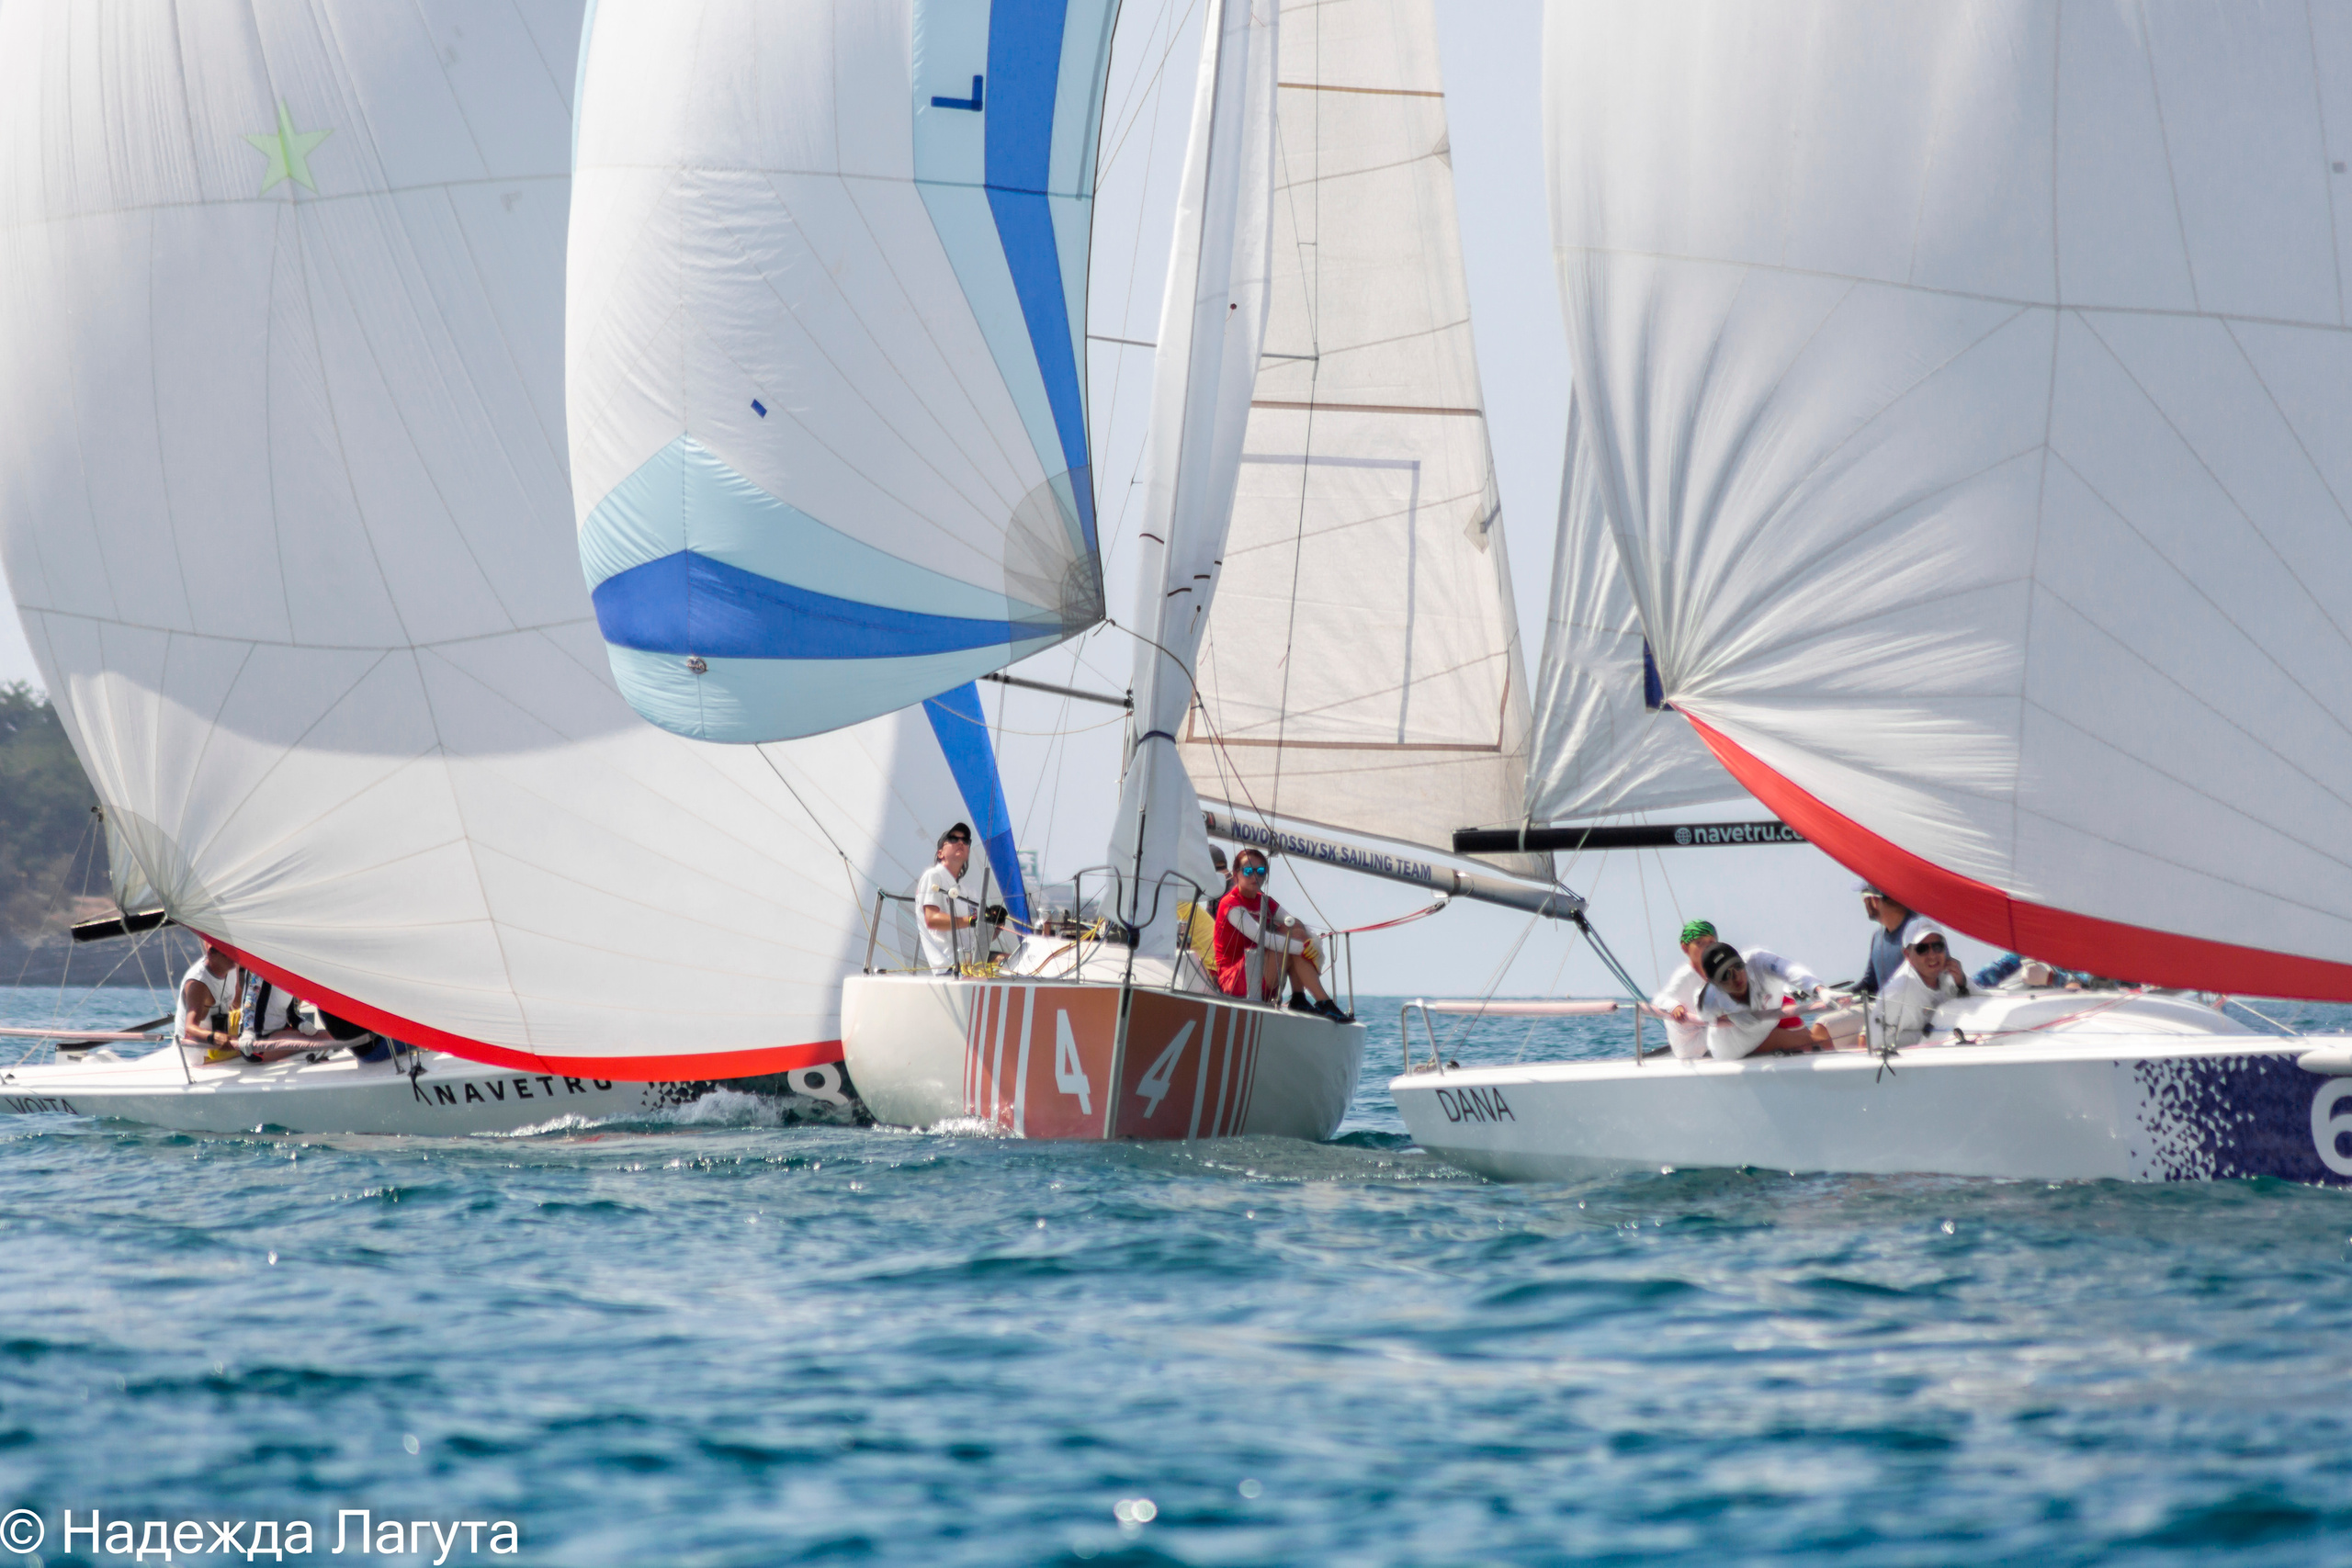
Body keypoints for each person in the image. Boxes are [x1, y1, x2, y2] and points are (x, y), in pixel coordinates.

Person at [1212, 850, 1350, 1021]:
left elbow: (1293, 922)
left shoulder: (1264, 901)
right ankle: (1323, 1002)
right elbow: (1262, 938)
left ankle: (1299, 997)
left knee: (1296, 929)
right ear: (1235, 875)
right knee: (1292, 940)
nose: (1255, 876)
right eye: (1248, 871)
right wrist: (1303, 948)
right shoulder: (1230, 904)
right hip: (1234, 982)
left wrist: (1313, 942)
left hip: (1258, 971)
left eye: (1260, 871)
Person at [1694, 940, 1825, 1060]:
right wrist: (1723, 1019)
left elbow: (1789, 970)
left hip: (1768, 1025)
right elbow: (1704, 1016)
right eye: (1726, 974)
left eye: (1738, 966)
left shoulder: (1757, 960)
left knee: (1818, 1041)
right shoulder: (1708, 1000)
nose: (1736, 976)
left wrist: (1819, 989)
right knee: (1813, 1044)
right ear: (1714, 983)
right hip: (1735, 1047)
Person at [1877, 917, 1970, 1047]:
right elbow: (1872, 1042)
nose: (1932, 955)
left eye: (1938, 947)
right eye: (1922, 949)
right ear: (1907, 954)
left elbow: (1980, 1001)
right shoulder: (1895, 993)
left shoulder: (1953, 975)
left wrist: (1961, 984)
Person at [916, 823, 987, 975]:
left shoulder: (964, 890)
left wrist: (994, 923)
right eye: (953, 839)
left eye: (965, 841)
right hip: (948, 967)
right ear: (940, 853)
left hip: (970, 965)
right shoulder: (933, 876)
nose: (960, 842)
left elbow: (973, 931)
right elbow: (931, 919)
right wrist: (970, 920)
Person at [1649, 919, 1721, 1059]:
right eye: (1699, 943)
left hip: (1705, 1032)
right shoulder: (1685, 974)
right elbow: (1659, 999)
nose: (1706, 947)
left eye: (1711, 942)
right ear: (1685, 948)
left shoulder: (1714, 971)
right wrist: (1674, 1007)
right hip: (1688, 1045)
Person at [175, 940, 245, 1064]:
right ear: (210, 953)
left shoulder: (232, 966)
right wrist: (214, 1037)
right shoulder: (198, 983)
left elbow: (237, 1001)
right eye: (226, 954)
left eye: (233, 953)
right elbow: (190, 1028)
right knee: (259, 1047)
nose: (232, 958)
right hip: (200, 1048)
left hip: (223, 1027)